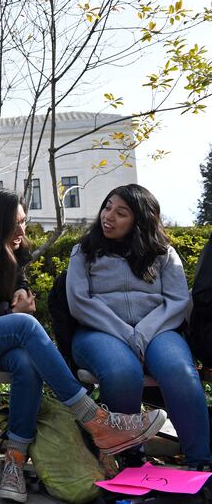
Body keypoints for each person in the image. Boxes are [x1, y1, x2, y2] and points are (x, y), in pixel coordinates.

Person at [0, 186, 167, 503]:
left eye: (23, 220)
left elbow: (17, 278)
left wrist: (20, 289)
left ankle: (14, 463)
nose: (22, 230)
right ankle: (95, 420)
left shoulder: (11, 245)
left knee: (25, 361)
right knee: (24, 325)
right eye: (15, 223)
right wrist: (8, 312)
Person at [67, 184, 210, 470]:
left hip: (159, 330)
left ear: (140, 220)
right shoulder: (83, 251)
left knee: (179, 371)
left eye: (121, 213)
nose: (108, 216)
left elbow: (177, 301)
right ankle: (131, 457)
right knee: (123, 372)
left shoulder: (163, 254)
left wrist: (142, 333)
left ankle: (200, 461)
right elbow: (80, 302)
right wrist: (125, 333)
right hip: (99, 332)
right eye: (107, 207)